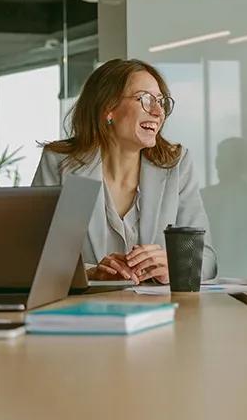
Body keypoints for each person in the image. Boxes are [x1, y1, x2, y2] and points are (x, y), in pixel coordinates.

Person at [34, 59, 216, 283]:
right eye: (146, 99)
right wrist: (90, 273)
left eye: (161, 102)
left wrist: (176, 265)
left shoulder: (176, 164)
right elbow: (33, 255)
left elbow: (207, 260)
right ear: (108, 108)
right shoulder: (59, 162)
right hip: (84, 311)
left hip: (160, 311)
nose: (158, 112)